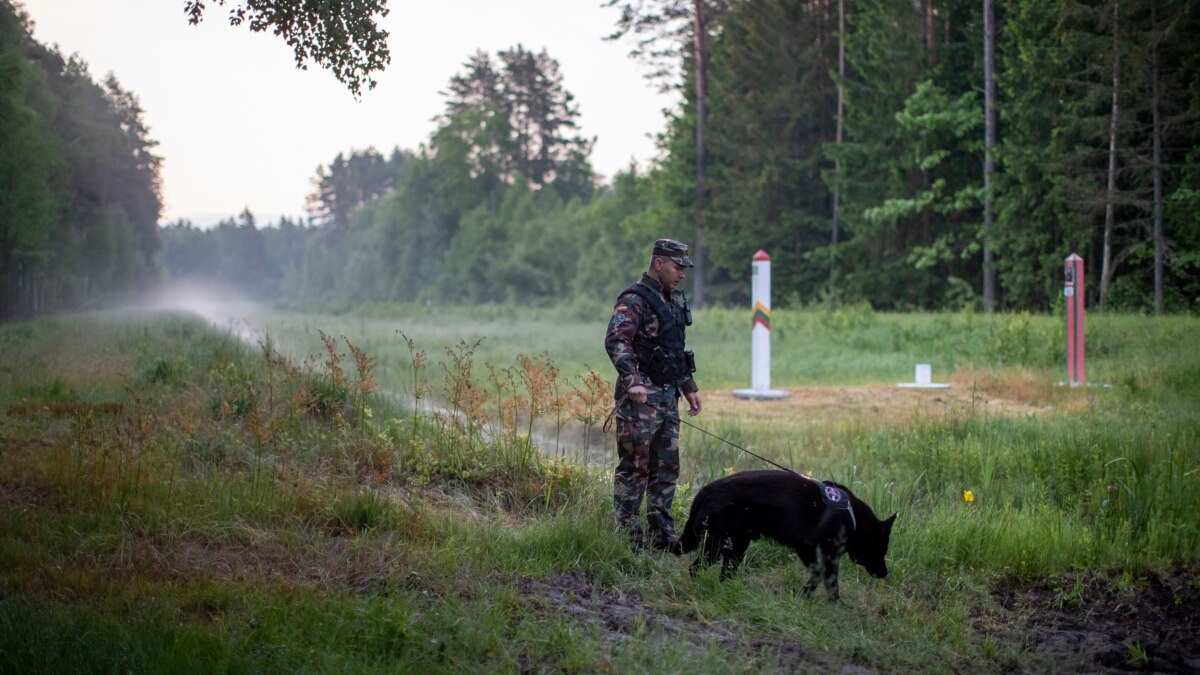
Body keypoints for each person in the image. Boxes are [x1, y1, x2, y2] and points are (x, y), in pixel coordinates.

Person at [605, 238, 703, 553]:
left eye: (685, 268)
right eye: (677, 267)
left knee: (666, 467)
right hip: (640, 399)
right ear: (659, 263)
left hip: (668, 396)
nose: (682, 274)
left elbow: (674, 348)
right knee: (635, 465)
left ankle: (661, 535)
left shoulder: (673, 299)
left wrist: (688, 387)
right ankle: (627, 536)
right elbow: (617, 340)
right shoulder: (634, 299)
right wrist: (632, 380)